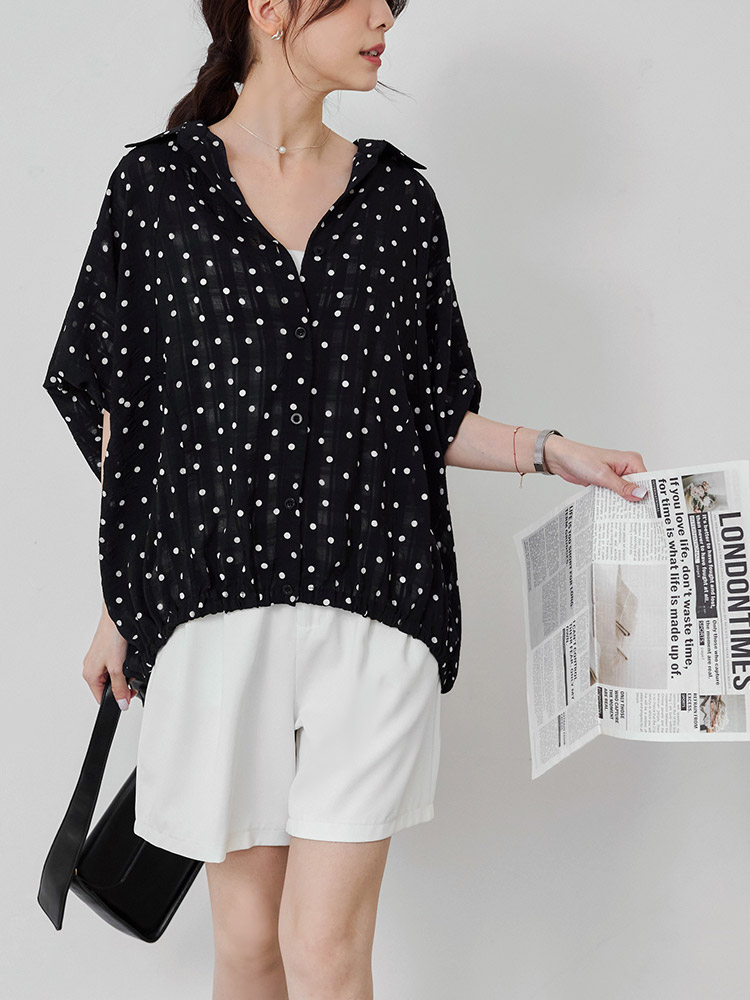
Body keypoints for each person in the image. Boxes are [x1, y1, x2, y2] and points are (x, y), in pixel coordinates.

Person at [43, 1, 648, 997]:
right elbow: (129, 420)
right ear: (270, 9)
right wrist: (124, 599)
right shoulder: (154, 190)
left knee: (325, 952)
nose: (383, 17)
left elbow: (426, 412)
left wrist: (551, 452)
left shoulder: (399, 200)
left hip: (376, 606)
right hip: (211, 613)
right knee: (248, 944)